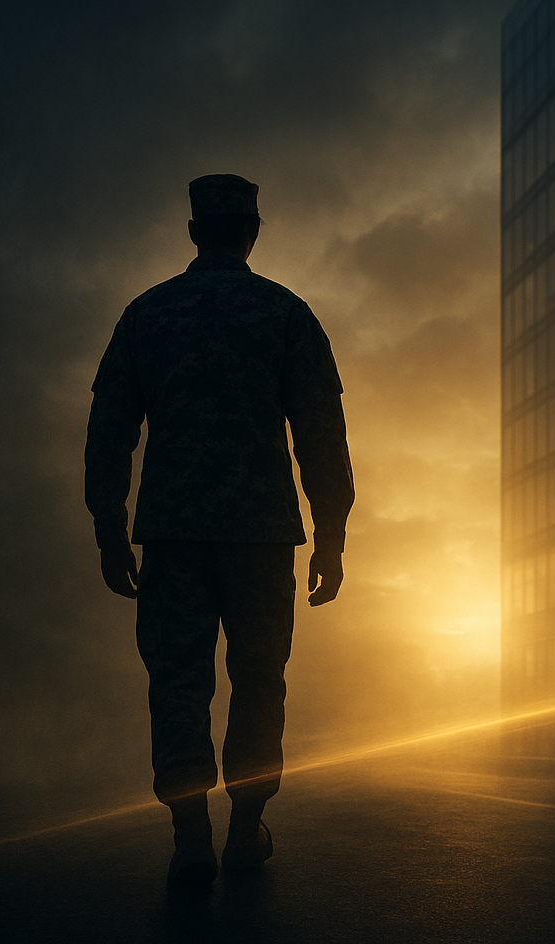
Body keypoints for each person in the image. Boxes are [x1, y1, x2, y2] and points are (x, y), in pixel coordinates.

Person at [84, 174, 355, 888]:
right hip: (261, 534)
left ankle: (189, 837)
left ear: (196, 231)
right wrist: (331, 534)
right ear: (251, 230)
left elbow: (109, 432)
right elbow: (321, 433)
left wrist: (110, 530)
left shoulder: (147, 314)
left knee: (178, 682)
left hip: (172, 532)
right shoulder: (284, 313)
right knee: (259, 678)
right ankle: (244, 832)